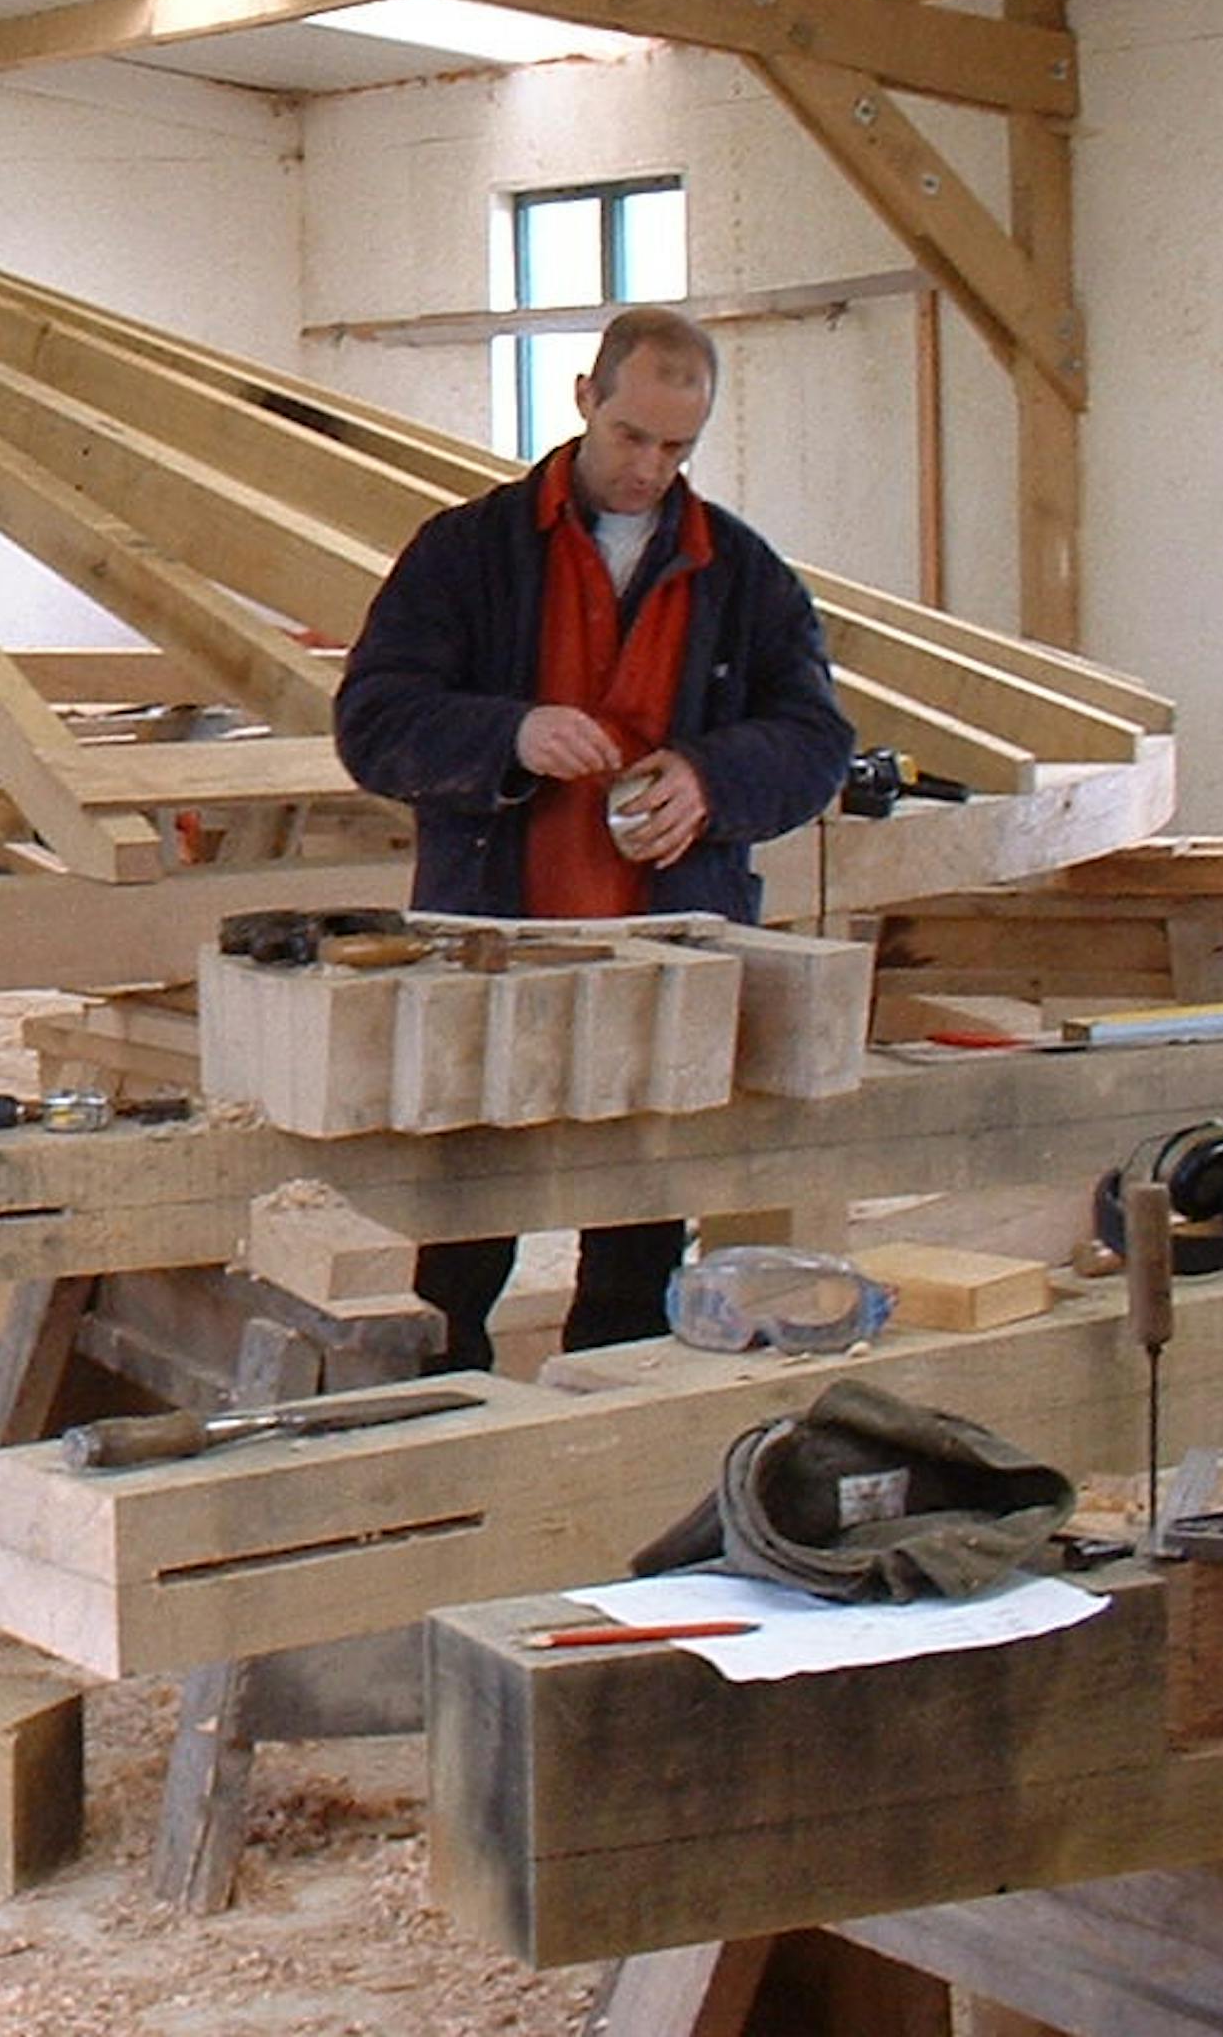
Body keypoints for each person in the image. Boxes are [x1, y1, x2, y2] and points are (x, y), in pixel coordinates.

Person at [331, 306, 855, 1370]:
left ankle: (605, 1430)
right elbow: (373, 722)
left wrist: (714, 779)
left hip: (668, 965)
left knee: (639, 1242)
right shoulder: (465, 553)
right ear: (584, 400)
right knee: (466, 1237)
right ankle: (448, 1421)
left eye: (677, 448)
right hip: (492, 947)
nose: (650, 468)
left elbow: (816, 740)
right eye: (631, 438)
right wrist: (508, 733)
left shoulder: (741, 572)